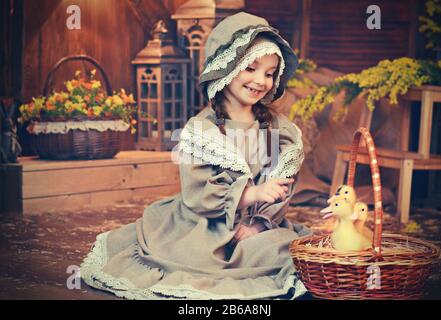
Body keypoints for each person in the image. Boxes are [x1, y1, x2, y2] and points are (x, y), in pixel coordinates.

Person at [80, 11, 311, 300]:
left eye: (269, 73)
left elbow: (282, 185)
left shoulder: (279, 130)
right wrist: (250, 194)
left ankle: (256, 240)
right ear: (226, 67)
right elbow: (198, 191)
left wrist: (258, 223)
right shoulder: (202, 130)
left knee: (282, 253)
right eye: (250, 68)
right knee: (195, 261)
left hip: (258, 224)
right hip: (206, 224)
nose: (260, 80)